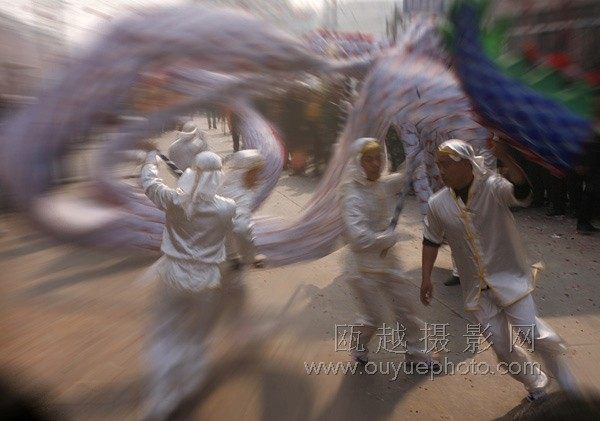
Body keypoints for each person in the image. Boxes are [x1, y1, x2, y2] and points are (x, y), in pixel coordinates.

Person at [420, 139, 579, 401]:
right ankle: (536, 383)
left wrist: (505, 155)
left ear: (467, 164)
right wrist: (426, 278)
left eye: (446, 164)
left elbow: (522, 192)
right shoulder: (438, 204)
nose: (441, 171)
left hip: (510, 278)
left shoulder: (492, 187)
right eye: (439, 165)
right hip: (476, 290)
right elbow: (430, 240)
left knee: (534, 335)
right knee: (503, 350)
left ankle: (568, 386)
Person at [140, 148, 236, 420]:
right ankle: (190, 381)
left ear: (193, 172)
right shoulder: (227, 207)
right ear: (218, 177)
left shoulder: (174, 200)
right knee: (197, 335)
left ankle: (163, 399)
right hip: (207, 282)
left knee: (166, 334)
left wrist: (151, 160)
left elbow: (149, 183)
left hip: (172, 277)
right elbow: (230, 237)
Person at [341, 137, 438, 368]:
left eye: (379, 158)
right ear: (357, 163)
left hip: (389, 263)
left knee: (406, 308)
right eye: (369, 159)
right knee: (374, 318)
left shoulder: (382, 184)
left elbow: (403, 176)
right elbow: (357, 238)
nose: (376, 164)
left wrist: (416, 155)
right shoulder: (351, 195)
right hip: (363, 269)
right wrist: (386, 238)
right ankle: (359, 347)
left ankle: (416, 355)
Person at [218, 149, 267, 269]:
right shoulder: (242, 195)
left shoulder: (224, 180)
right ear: (244, 172)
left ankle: (231, 255)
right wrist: (250, 256)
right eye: (255, 173)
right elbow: (241, 230)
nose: (258, 178)